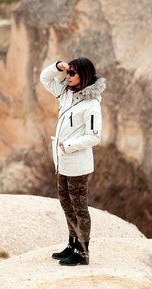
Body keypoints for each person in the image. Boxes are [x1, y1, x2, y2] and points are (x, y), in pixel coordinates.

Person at [39, 58, 105, 266]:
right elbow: (44, 78)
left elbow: (94, 136)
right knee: (66, 204)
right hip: (62, 161)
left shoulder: (91, 104)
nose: (68, 76)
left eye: (72, 72)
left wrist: (68, 146)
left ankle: (83, 252)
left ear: (83, 75)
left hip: (77, 162)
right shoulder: (65, 93)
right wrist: (58, 66)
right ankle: (72, 243)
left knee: (79, 207)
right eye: (68, 72)